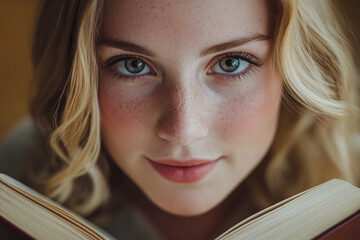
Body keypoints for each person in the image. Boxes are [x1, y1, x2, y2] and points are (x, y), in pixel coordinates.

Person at [0, 0, 359, 239]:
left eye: (231, 62)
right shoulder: (21, 175)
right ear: (75, 74)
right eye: (132, 65)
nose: (184, 131)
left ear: (296, 68)